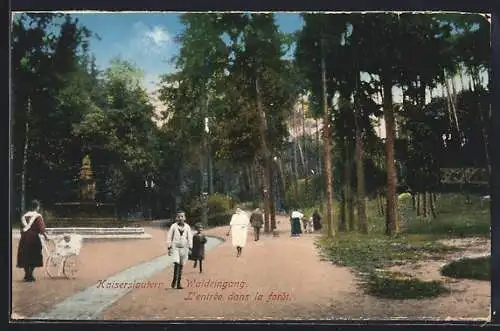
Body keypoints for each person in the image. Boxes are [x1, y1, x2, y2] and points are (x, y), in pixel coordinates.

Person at [17, 200, 49, 282]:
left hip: (24, 239)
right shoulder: (38, 216)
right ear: (37, 207)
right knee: (34, 256)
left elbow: (21, 228)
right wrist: (46, 236)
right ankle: (30, 274)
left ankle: (27, 274)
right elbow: (41, 229)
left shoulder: (24, 216)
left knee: (25, 256)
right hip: (34, 239)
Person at [166, 211, 193, 289]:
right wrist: (169, 247)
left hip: (184, 248)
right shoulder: (173, 226)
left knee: (181, 265)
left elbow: (190, 237)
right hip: (175, 248)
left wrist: (190, 247)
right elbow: (169, 236)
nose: (180, 218)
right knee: (177, 263)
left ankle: (178, 282)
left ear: (184, 218)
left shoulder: (187, 227)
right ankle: (174, 279)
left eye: (182, 216)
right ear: (176, 218)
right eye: (178, 216)